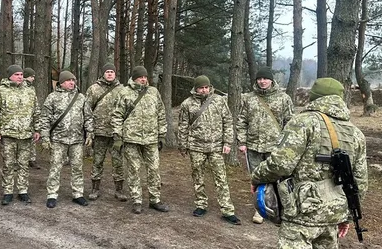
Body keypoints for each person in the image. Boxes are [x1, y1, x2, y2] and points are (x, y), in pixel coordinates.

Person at [251, 78, 367, 249]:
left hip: (300, 217)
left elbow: (281, 162)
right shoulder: (355, 133)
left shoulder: (303, 122)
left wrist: (257, 177)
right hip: (333, 215)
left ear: (314, 97)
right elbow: (359, 184)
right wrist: (347, 217)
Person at [178, 75, 240, 224]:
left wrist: (227, 142)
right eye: (201, 87)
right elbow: (183, 126)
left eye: (206, 87)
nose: (204, 90)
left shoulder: (219, 101)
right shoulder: (187, 104)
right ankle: (201, 204)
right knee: (198, 177)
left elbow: (228, 121)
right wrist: (183, 145)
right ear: (196, 88)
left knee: (221, 178)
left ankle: (227, 210)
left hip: (216, 147)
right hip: (196, 147)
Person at [237, 66, 294, 223]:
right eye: (259, 79)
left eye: (265, 79)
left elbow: (290, 123)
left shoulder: (283, 98)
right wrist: (242, 141)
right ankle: (260, 209)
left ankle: (279, 208)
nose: (262, 82)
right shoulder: (249, 98)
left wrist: (284, 144)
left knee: (278, 178)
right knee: (256, 178)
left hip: (275, 147)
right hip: (254, 146)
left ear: (271, 80)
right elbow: (242, 121)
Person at [112, 66, 169, 214]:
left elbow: (161, 114)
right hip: (131, 139)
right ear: (134, 78)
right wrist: (118, 137)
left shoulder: (153, 92)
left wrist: (161, 135)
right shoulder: (124, 92)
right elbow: (117, 116)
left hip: (151, 139)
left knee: (154, 170)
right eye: (140, 77)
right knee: (134, 170)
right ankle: (137, 200)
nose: (143, 79)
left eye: (145, 77)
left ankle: (155, 200)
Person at [40, 71, 93, 208]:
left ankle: (78, 194)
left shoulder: (81, 98)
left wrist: (90, 134)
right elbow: (44, 119)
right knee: (55, 167)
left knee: (77, 168)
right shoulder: (52, 97)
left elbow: (88, 117)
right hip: (58, 140)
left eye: (73, 80)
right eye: (69, 80)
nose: (72, 83)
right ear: (61, 82)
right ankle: (52, 194)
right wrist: (45, 137)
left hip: (76, 140)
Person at [0, 65, 40, 205]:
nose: (20, 77)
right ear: (10, 75)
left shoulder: (30, 91)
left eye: (21, 74)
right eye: (17, 74)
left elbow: (36, 111)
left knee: (24, 164)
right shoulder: (0, 91)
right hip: (8, 135)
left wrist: (37, 129)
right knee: (8, 164)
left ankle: (23, 190)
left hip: (25, 135)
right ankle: (8, 191)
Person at [85, 63, 126, 201]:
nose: (109, 74)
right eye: (107, 71)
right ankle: (95, 189)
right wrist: (90, 130)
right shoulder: (94, 89)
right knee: (97, 161)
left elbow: (127, 111)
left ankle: (119, 190)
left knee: (118, 162)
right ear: (103, 73)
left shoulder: (122, 90)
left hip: (116, 134)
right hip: (99, 132)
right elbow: (87, 110)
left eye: (112, 72)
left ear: (115, 74)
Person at [23, 67, 42, 170]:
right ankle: (23, 160)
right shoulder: (22, 87)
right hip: (23, 118)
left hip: (30, 118)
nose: (33, 78)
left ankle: (32, 159)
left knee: (32, 140)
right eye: (31, 76)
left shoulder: (32, 88)